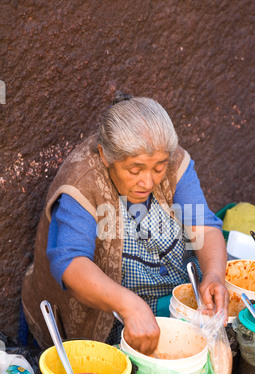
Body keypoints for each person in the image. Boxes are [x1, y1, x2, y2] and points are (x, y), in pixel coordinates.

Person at [22, 93, 229, 355]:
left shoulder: (172, 160)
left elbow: (205, 227)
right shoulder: (82, 181)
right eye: (135, 170)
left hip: (175, 299)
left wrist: (213, 275)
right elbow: (71, 263)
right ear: (106, 156)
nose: (148, 182)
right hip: (110, 319)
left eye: (158, 168)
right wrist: (129, 305)